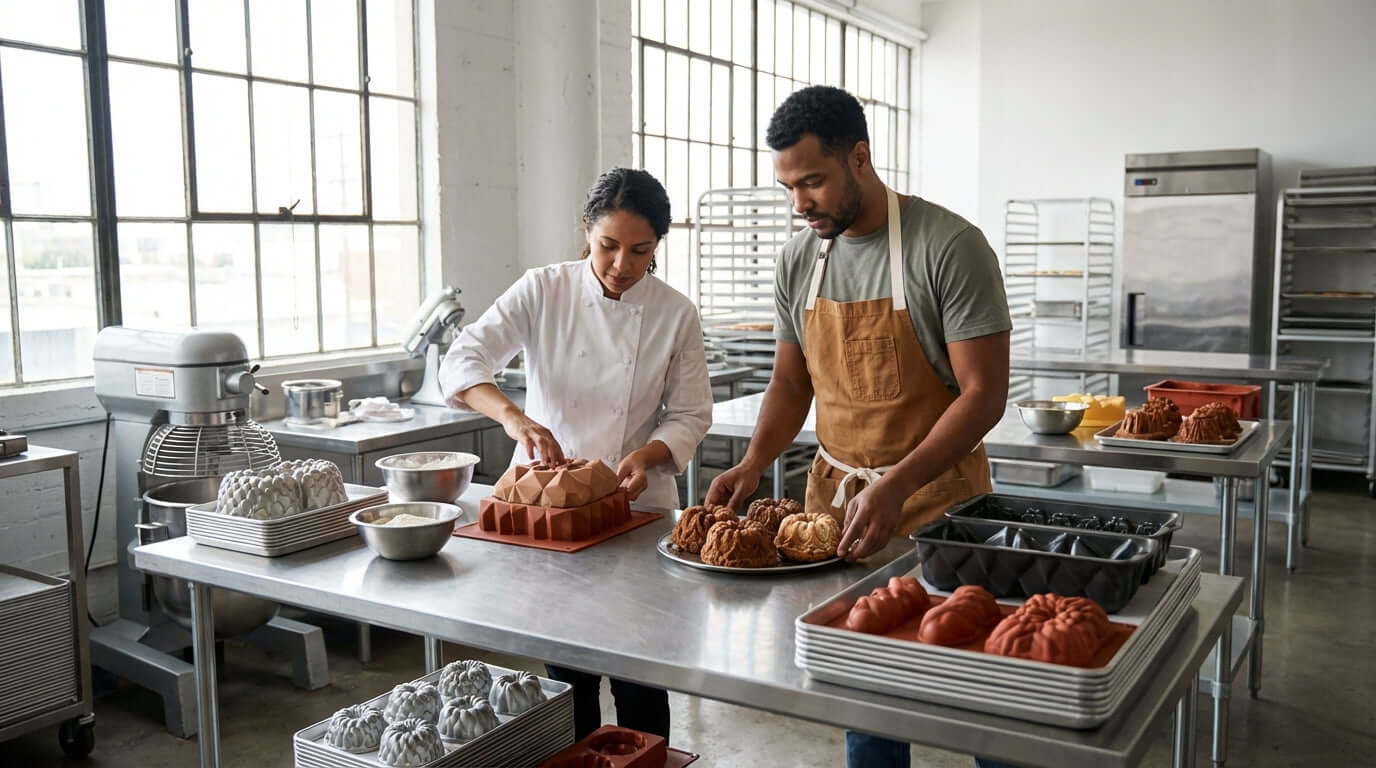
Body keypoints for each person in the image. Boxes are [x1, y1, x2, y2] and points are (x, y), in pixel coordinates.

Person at [705, 86, 1015, 768]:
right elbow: (792, 384)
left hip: (943, 508)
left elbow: (985, 395)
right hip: (840, 513)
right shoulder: (798, 260)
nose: (799, 204)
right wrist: (754, 463)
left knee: (979, 686)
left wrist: (899, 484)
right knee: (865, 692)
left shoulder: (948, 247)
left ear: (861, 159)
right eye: (787, 187)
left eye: (812, 181)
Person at [439, 167, 712, 741]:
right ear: (586, 229)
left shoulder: (675, 312)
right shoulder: (543, 289)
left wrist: (651, 453)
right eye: (608, 245)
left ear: (659, 244)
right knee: (567, 675)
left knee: (641, 674)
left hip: (636, 505)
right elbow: (463, 361)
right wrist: (514, 416)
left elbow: (690, 414)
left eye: (640, 250)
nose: (621, 264)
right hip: (548, 512)